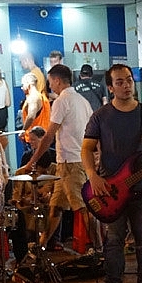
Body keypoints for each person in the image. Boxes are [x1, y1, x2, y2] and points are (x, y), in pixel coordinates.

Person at [81, 63, 142, 283]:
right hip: (110, 189)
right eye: (119, 82)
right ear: (110, 87)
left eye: (129, 80)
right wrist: (92, 175)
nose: (126, 85)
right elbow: (87, 148)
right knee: (114, 239)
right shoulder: (100, 117)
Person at [24, 64, 99, 255]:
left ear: (57, 80)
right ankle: (41, 246)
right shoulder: (82, 101)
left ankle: (100, 250)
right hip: (71, 162)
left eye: (50, 82)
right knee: (55, 207)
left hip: (70, 163)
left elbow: (49, 135)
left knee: (83, 208)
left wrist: (31, 162)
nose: (50, 86)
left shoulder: (61, 101)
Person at [20, 72, 51, 144]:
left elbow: (31, 116)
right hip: (44, 137)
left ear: (28, 84)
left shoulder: (33, 98)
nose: (22, 87)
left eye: (23, 84)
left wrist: (23, 131)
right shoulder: (42, 97)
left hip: (34, 140)